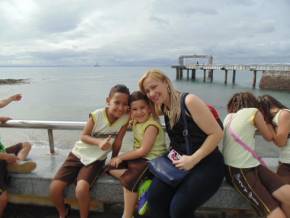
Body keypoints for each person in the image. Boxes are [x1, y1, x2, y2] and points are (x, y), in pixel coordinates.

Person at [139, 69, 225, 218]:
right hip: (181, 163)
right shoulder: (163, 107)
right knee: (155, 199)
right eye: (147, 91)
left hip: (207, 164)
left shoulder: (189, 101)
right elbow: (140, 110)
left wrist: (193, 160)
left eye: (154, 87)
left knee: (179, 209)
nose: (151, 94)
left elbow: (217, 133)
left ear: (166, 82)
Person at [49, 85, 130, 218]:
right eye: (116, 102)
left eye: (124, 104)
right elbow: (83, 136)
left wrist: (113, 159)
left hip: (96, 160)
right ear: (108, 100)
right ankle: (63, 212)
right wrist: (99, 142)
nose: (120, 107)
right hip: (77, 155)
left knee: (81, 189)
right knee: (54, 189)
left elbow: (118, 141)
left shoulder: (125, 118)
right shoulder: (97, 115)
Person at [223, 92, 290, 218]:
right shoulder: (254, 112)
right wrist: (269, 123)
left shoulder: (229, 117)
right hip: (240, 171)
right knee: (275, 211)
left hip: (250, 166)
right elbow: (269, 136)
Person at [109, 91, 167, 218]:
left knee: (129, 180)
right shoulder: (136, 121)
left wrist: (121, 157)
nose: (139, 112)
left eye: (142, 108)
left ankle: (127, 214)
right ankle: (143, 184)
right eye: (134, 109)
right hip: (139, 159)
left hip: (152, 160)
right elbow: (124, 114)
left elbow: (143, 151)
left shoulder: (151, 125)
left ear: (149, 108)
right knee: (109, 167)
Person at [0, 94, 36, 218]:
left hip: (3, 152)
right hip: (1, 157)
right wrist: (4, 157)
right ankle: (11, 162)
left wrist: (12, 98)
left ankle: (18, 162)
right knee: (3, 197)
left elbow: (2, 102)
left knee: (26, 145)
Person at [258, 95, 290, 183]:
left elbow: (280, 142)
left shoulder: (284, 114)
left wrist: (268, 125)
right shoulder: (278, 117)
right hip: (285, 161)